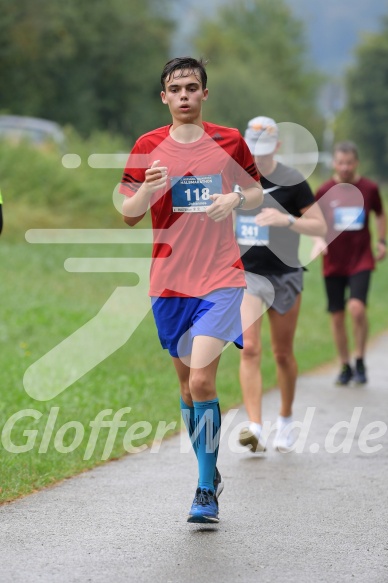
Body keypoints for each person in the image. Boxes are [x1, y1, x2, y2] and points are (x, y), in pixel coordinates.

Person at [119, 57, 263, 523]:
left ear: (205, 95)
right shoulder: (148, 146)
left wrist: (234, 198)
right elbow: (129, 212)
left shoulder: (229, 141)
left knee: (202, 378)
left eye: (192, 87)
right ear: (164, 97)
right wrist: (148, 190)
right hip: (169, 283)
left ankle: (204, 488)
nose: (184, 95)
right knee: (185, 387)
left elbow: (258, 191)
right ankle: (210, 469)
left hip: (221, 278)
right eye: (175, 88)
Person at [235, 116, 327, 453]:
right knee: (250, 346)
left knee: (283, 353)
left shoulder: (292, 181)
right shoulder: (234, 178)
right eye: (252, 148)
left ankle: (285, 420)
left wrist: (286, 220)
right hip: (249, 275)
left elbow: (319, 226)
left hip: (285, 274)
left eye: (264, 148)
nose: (257, 155)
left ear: (277, 145)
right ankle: (255, 426)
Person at [313, 141, 386, 386]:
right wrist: (317, 241)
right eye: (340, 163)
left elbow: (379, 213)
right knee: (337, 316)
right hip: (333, 261)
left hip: (360, 258)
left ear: (356, 163)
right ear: (334, 163)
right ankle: (345, 365)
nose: (345, 168)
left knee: (357, 308)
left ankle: (361, 358)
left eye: (349, 163)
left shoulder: (369, 188)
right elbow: (313, 219)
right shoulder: (324, 190)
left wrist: (382, 241)